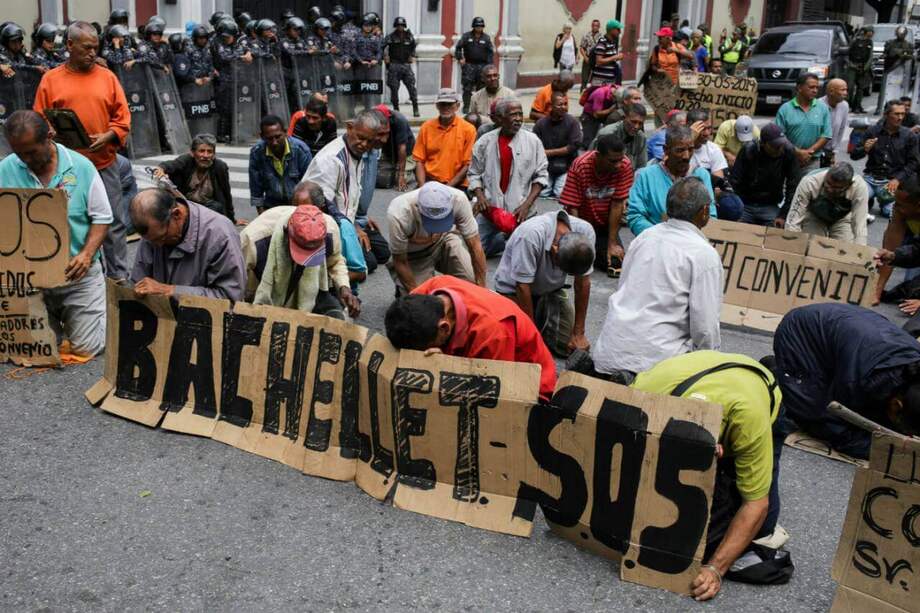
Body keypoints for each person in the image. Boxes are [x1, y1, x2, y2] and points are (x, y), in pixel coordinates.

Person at [631, 350, 783, 602]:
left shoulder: (749, 423)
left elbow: (756, 504)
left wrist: (715, 569)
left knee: (760, 522)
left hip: (760, 387)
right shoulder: (641, 393)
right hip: (699, 372)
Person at [587, 177, 721, 381]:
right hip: (654, 365)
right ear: (704, 211)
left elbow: (624, 289)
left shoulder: (644, 238)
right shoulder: (704, 254)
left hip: (610, 352)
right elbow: (705, 328)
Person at [0, 110, 111, 357]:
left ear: (49, 137)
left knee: (87, 348)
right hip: (30, 281)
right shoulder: (5, 169)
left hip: (77, 276)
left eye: (31, 152)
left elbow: (102, 217)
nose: (26, 159)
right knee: (39, 350)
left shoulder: (82, 167)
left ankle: (98, 311)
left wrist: (86, 254)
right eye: (19, 153)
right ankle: (55, 318)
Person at [34, 21, 131, 281]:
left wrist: (109, 135)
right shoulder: (50, 79)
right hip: (65, 167)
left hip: (103, 162)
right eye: (87, 48)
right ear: (69, 45)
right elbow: (39, 118)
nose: (92, 53)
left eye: (96, 48)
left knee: (113, 222)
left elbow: (123, 118)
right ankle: (62, 271)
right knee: (67, 219)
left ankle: (119, 278)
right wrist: (49, 133)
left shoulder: (108, 77)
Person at [772, 303, 920, 459]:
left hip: (845, 329)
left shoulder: (912, 368)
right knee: (818, 418)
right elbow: (842, 434)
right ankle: (778, 373)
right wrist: (899, 453)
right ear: (896, 404)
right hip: (801, 332)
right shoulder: (856, 381)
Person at [385, 276, 558, 401]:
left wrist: (444, 365)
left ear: (444, 328)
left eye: (422, 350)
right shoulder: (430, 290)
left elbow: (493, 398)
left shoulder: (493, 333)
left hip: (527, 389)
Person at [494, 210, 594, 357]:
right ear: (555, 249)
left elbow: (583, 283)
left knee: (567, 347)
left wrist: (579, 333)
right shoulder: (530, 235)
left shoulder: (586, 233)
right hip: (514, 291)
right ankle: (534, 326)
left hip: (550, 291)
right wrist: (532, 337)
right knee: (514, 346)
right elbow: (522, 286)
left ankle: (541, 321)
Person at [303, 109, 390, 272]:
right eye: (361, 138)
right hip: (329, 225)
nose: (364, 144)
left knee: (383, 253)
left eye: (369, 141)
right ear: (350, 128)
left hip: (348, 221)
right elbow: (321, 205)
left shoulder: (356, 152)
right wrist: (352, 229)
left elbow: (349, 193)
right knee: (367, 264)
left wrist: (357, 221)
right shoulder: (331, 159)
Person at [129, 188, 245, 301]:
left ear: (177, 215)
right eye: (152, 241)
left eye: (162, 237)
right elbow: (137, 282)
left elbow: (230, 298)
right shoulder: (153, 233)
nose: (158, 245)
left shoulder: (220, 234)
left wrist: (170, 291)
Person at [253, 201, 360, 319]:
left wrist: (344, 287)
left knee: (336, 316)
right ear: (287, 233)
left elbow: (336, 261)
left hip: (312, 289)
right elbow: (244, 289)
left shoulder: (330, 230)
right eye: (301, 250)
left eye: (311, 252)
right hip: (268, 289)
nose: (304, 260)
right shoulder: (256, 240)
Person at [469, 99, 549, 257]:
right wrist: (480, 196)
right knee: (473, 253)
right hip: (491, 210)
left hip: (521, 211)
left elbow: (541, 176)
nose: (519, 118)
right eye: (513, 115)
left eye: (520, 114)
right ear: (499, 118)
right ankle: (499, 241)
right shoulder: (484, 142)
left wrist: (527, 204)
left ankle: (511, 238)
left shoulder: (533, 141)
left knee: (526, 254)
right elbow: (474, 173)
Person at [386, 181, 486, 293]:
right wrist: (416, 296)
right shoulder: (399, 212)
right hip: (413, 254)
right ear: (418, 208)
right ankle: (403, 286)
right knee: (422, 301)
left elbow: (475, 245)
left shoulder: (459, 199)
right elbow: (400, 261)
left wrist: (481, 291)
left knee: (472, 286)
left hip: (445, 240)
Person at [560, 133, 635, 273]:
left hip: (605, 224)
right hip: (581, 222)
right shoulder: (580, 166)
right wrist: (580, 241)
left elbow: (617, 205)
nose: (618, 165)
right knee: (578, 260)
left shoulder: (624, 165)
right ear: (598, 156)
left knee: (615, 263)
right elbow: (573, 207)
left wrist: (612, 242)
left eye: (620, 159)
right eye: (612, 161)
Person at [628, 125, 717, 236]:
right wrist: (662, 237)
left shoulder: (701, 175)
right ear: (666, 150)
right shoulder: (646, 176)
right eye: (680, 150)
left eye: (690, 149)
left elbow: (711, 215)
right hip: (656, 243)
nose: (686, 156)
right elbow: (635, 216)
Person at [775, 72, 832, 218]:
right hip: (787, 159)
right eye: (811, 87)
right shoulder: (785, 109)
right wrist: (797, 152)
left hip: (812, 160)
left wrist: (809, 152)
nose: (815, 90)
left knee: (808, 193)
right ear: (799, 88)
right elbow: (779, 136)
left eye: (816, 87)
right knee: (786, 192)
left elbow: (826, 135)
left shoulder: (823, 108)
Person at [850, 99, 920, 219]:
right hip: (870, 179)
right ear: (886, 114)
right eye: (896, 114)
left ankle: (880, 203)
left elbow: (914, 163)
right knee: (854, 202)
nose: (900, 117)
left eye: (903, 114)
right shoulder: (872, 131)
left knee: (889, 212)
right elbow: (854, 155)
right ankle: (868, 200)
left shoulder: (909, 136)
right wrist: (864, 149)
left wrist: (897, 180)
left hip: (891, 181)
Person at [153, 134, 236, 223]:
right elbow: (171, 164)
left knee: (217, 207)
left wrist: (232, 219)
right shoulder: (186, 160)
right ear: (192, 153)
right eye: (201, 151)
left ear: (214, 154)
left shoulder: (220, 167)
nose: (205, 155)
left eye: (209, 152)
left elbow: (226, 193)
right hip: (186, 204)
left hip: (206, 207)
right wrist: (161, 169)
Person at [730, 123, 800, 226]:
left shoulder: (788, 151)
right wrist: (737, 207)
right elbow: (735, 181)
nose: (780, 149)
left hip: (770, 206)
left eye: (782, 145)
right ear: (763, 144)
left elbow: (793, 186)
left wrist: (783, 215)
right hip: (745, 204)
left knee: (777, 231)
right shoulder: (748, 150)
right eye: (775, 146)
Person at [784, 162, 869, 244]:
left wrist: (859, 252)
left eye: (836, 188)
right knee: (812, 246)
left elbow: (860, 225)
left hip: (842, 218)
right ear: (826, 175)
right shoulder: (809, 182)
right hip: (814, 216)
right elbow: (794, 220)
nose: (830, 189)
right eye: (828, 183)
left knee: (844, 250)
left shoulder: (859, 187)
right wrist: (792, 246)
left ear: (849, 185)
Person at [412, 88, 477, 187]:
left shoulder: (468, 129)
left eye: (450, 104)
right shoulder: (426, 127)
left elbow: (467, 165)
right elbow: (419, 160)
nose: (446, 107)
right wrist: (422, 186)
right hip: (430, 182)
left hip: (457, 184)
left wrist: (447, 188)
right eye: (442, 104)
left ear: (457, 106)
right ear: (437, 106)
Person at [249, 115, 313, 213]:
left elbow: (309, 186)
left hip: (297, 206)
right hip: (272, 206)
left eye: (278, 137)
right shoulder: (256, 153)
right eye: (270, 138)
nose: (274, 142)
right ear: (262, 137)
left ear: (285, 132)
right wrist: (263, 217)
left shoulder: (301, 150)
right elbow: (256, 190)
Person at [533, 91, 582, 199]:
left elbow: (573, 147)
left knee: (560, 193)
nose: (563, 107)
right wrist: (545, 153)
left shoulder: (573, 122)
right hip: (546, 166)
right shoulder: (541, 123)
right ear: (551, 106)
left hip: (566, 165)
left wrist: (548, 152)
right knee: (542, 193)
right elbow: (534, 147)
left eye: (565, 104)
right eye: (560, 104)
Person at [591, 103, 647, 170]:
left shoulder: (641, 137)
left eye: (640, 123)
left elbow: (641, 166)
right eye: (633, 122)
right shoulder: (607, 133)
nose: (636, 126)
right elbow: (592, 160)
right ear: (624, 118)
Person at [455, 17, 494, 114]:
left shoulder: (486, 38)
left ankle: (479, 107)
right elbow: (458, 48)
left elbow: (490, 53)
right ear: (474, 26)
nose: (479, 28)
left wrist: (489, 66)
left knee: (481, 88)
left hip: (482, 66)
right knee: (467, 87)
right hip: (469, 65)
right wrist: (460, 58)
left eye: (481, 26)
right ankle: (466, 106)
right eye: (477, 26)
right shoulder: (466, 36)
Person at [382, 16, 418, 117]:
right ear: (395, 26)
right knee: (394, 88)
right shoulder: (390, 37)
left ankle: (415, 107)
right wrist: (385, 56)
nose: (400, 27)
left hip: (406, 65)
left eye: (402, 25)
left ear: (404, 26)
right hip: (394, 65)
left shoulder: (409, 36)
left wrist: (412, 56)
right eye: (398, 25)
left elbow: (414, 47)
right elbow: (381, 47)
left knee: (411, 87)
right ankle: (396, 108)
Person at [374, 104, 415, 191]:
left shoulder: (400, 120)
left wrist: (401, 175)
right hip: (389, 153)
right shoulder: (372, 120)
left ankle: (412, 169)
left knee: (397, 180)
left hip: (407, 153)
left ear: (388, 118)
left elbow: (402, 148)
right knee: (382, 179)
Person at [876, 25, 914, 116]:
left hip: (902, 71)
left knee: (899, 91)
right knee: (885, 91)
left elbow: (911, 56)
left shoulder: (909, 45)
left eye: (902, 33)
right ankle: (880, 108)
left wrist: (902, 55)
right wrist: (900, 53)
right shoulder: (890, 43)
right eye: (899, 33)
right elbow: (887, 53)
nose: (901, 35)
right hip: (890, 70)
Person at [819, 78, 849, 165]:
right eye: (843, 90)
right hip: (816, 149)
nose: (845, 93)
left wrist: (835, 151)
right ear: (831, 91)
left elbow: (841, 129)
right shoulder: (818, 105)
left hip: (830, 150)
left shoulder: (844, 105)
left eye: (846, 90)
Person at [846, 26, 873, 113]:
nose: (871, 33)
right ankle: (848, 104)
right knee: (849, 87)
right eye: (870, 31)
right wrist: (851, 64)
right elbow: (847, 53)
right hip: (852, 66)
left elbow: (870, 56)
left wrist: (865, 67)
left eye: (872, 31)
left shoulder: (870, 42)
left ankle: (857, 106)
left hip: (863, 67)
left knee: (861, 88)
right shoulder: (854, 40)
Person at [589, 20, 623, 85]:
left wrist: (617, 58)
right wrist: (615, 57)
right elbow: (599, 61)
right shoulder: (602, 42)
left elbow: (609, 59)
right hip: (600, 82)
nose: (620, 32)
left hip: (610, 81)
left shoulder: (612, 43)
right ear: (612, 30)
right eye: (618, 30)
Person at [579, 19, 603, 89]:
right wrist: (585, 57)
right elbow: (582, 47)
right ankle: (582, 93)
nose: (595, 27)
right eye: (593, 25)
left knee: (596, 79)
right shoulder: (586, 35)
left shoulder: (602, 37)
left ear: (599, 27)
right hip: (588, 58)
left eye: (596, 26)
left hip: (597, 60)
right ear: (591, 26)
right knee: (584, 78)